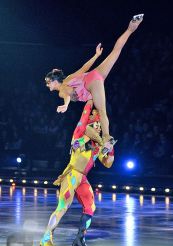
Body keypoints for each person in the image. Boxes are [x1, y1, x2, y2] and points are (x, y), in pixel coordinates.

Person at [45, 15, 143, 151]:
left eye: (48, 83)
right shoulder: (69, 78)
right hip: (95, 74)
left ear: (55, 81)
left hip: (91, 82)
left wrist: (65, 105)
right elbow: (84, 68)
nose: (47, 85)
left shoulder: (62, 89)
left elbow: (66, 95)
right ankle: (131, 28)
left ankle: (108, 138)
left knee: (102, 111)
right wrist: (96, 56)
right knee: (116, 51)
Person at [39, 100, 115, 246]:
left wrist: (110, 149)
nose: (99, 128)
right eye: (97, 124)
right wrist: (92, 98)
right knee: (63, 206)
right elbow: (88, 127)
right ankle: (46, 238)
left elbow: (108, 164)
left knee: (90, 206)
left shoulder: (97, 145)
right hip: (71, 175)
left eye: (100, 126)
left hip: (83, 179)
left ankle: (79, 239)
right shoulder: (80, 132)